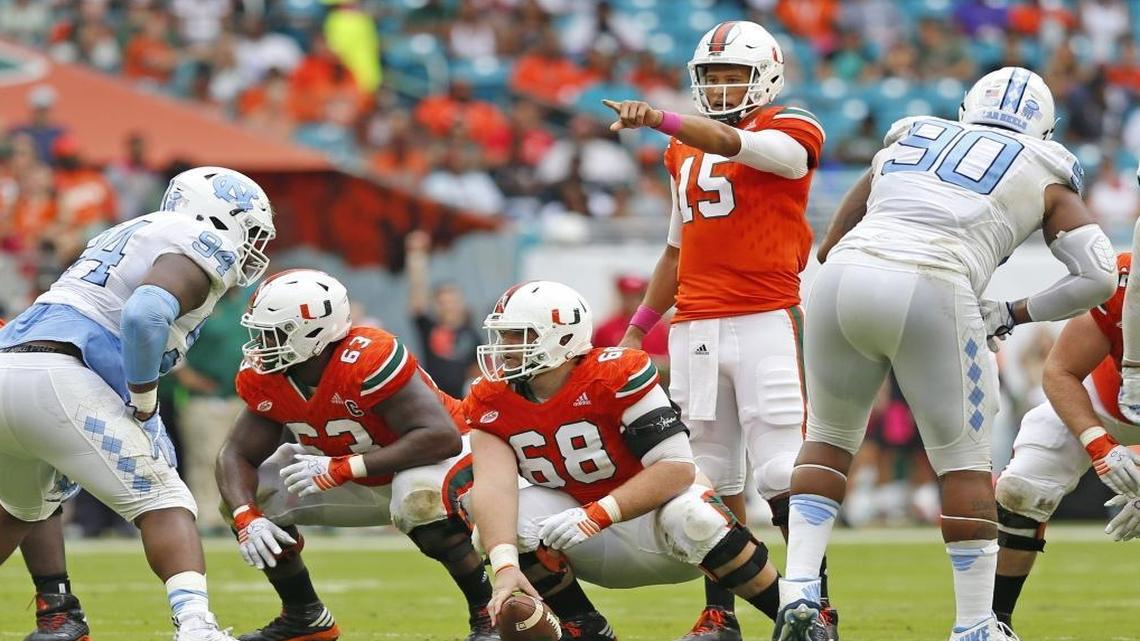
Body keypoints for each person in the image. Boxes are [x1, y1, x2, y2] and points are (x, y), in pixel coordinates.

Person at [773, 67, 1116, 641]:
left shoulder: (913, 134)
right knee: (964, 465)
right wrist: (1012, 312)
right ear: (1044, 128)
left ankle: (801, 588)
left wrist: (839, 261)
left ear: (967, 106)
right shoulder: (1046, 166)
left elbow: (834, 238)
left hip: (842, 278)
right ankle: (975, 624)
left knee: (827, 440)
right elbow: (1101, 276)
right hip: (935, 282)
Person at [608, 20, 833, 641]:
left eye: (733, 73)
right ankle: (721, 613)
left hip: (766, 317)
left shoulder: (794, 124)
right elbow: (676, 253)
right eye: (711, 75)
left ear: (766, 74)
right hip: (695, 328)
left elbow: (759, 152)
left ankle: (815, 603)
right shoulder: (680, 150)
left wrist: (664, 119)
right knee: (708, 478)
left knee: (783, 472)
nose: (722, 85)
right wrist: (636, 333)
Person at [465, 281, 833, 641]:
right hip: (588, 537)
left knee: (694, 511)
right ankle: (585, 627)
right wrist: (505, 565)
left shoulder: (614, 374)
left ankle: (797, 622)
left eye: (519, 335)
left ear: (562, 337)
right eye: (502, 336)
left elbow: (676, 468)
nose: (505, 348)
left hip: (665, 533)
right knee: (497, 527)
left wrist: (600, 513)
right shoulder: (491, 398)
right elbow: (494, 487)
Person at [0, 166, 276, 641]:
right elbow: (146, 312)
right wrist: (145, 403)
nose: (251, 245)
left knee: (18, 510)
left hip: (10, 365)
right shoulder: (197, 238)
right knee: (166, 500)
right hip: (61, 372)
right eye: (248, 229)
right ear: (217, 215)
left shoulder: (131, 229)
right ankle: (195, 627)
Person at [217, 269, 497, 641]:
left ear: (315, 330)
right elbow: (236, 454)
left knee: (419, 499)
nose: (261, 343)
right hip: (349, 471)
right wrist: (245, 517)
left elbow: (440, 437)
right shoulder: (267, 374)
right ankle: (305, 616)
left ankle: (489, 619)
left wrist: (346, 466)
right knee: (254, 493)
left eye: (275, 332)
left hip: (443, 459)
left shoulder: (367, 357)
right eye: (260, 332)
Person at [992, 251, 1140, 631]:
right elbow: (1060, 371)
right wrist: (1098, 443)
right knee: (1024, 486)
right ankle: (993, 623)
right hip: (1106, 403)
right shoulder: (1121, 280)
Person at [406, 230, 481, 397]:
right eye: (443, 302)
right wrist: (416, 256)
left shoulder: (471, 334)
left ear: (461, 302)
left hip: (461, 402)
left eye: (452, 300)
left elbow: (477, 372)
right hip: (433, 397)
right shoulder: (429, 327)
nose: (448, 306)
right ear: (436, 305)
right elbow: (417, 290)